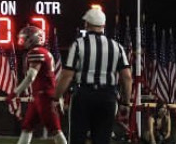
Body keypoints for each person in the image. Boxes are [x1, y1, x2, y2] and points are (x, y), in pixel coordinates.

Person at [52, 8, 132, 144]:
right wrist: (126, 102)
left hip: (84, 95)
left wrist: (56, 97)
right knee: (102, 139)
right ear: (103, 25)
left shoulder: (78, 45)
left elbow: (67, 76)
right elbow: (127, 77)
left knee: (77, 138)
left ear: (86, 24)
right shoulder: (116, 46)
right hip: (107, 96)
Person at [12, 25, 66, 144]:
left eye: (25, 38)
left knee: (55, 129)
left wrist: (15, 92)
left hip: (44, 96)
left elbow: (31, 76)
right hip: (39, 95)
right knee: (27, 126)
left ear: (33, 39)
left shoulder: (36, 52)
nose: (23, 41)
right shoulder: (43, 52)